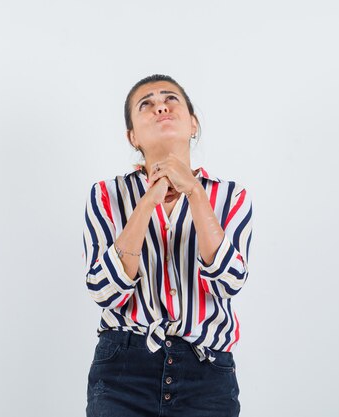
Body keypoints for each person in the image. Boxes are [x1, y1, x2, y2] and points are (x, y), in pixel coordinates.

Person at [83, 74, 253, 417]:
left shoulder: (231, 197)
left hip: (206, 373)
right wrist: (147, 202)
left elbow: (228, 282)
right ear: (133, 136)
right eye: (145, 104)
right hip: (123, 371)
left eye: (171, 98)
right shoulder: (106, 195)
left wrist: (194, 192)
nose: (160, 105)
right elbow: (105, 291)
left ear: (193, 123)